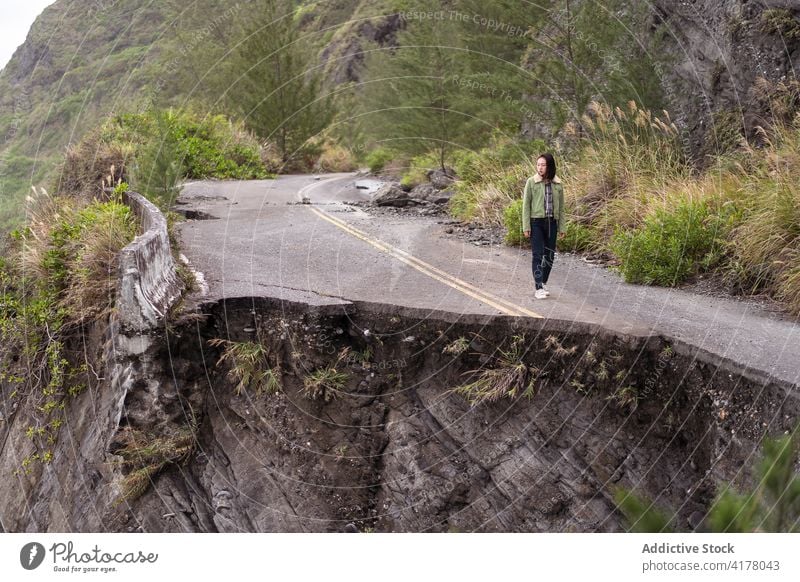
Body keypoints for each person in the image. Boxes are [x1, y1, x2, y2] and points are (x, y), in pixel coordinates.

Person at [522, 153, 566, 299]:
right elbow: (526, 206)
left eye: (543, 165)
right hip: (536, 222)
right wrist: (526, 226)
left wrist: (562, 227)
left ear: (550, 166)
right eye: (538, 165)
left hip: (552, 223)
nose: (540, 168)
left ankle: (543, 281)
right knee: (537, 255)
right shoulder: (531, 182)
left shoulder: (558, 184)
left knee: (550, 255)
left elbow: (561, 208)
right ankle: (538, 287)